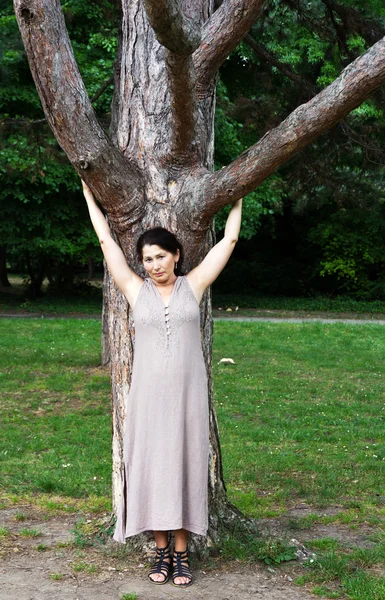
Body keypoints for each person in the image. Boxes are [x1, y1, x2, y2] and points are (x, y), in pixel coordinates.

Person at [81, 180, 242, 587]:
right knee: (154, 467)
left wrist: (239, 193)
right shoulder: (136, 291)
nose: (153, 264)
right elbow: (105, 243)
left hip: (188, 397)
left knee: (185, 464)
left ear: (177, 256)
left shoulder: (195, 285)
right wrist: (89, 195)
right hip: (149, 398)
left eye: (160, 256)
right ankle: (160, 549)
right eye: (147, 258)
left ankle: (182, 553)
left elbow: (230, 239)